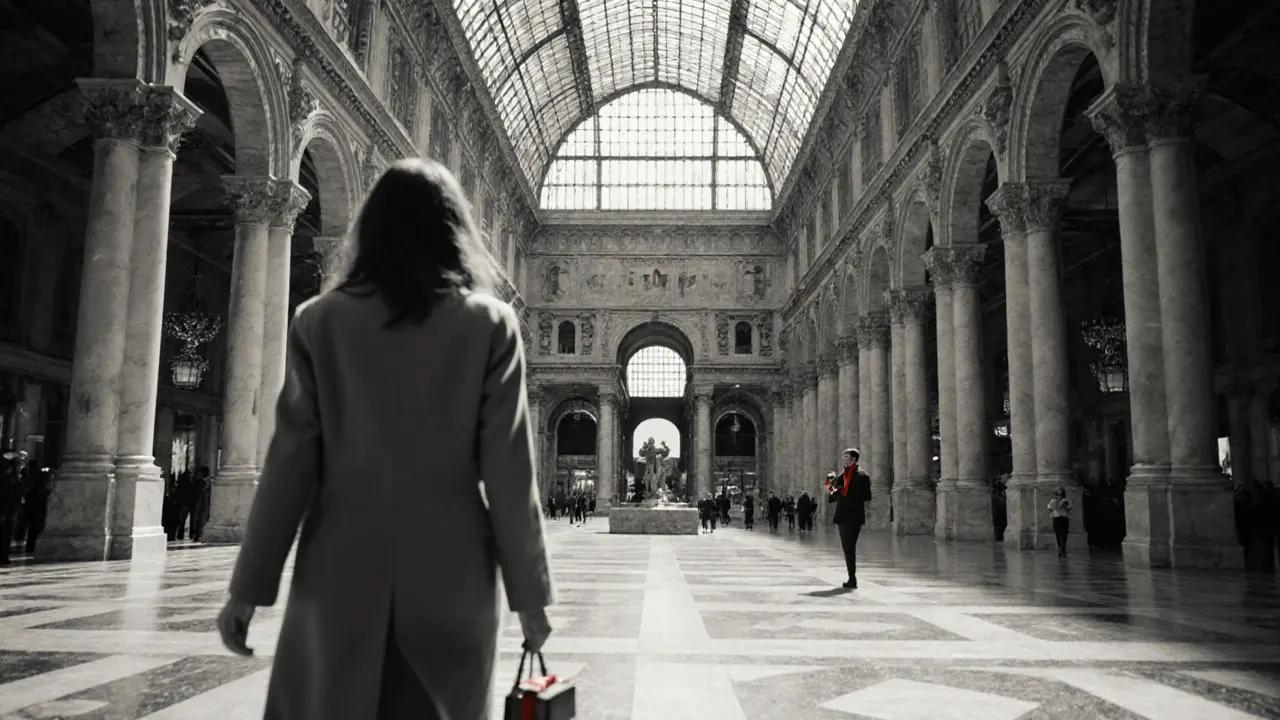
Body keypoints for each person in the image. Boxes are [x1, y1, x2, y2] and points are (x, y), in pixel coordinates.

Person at [216, 159, 554, 720]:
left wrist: (248, 588)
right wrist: (532, 600)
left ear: (368, 232)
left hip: (339, 572)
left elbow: (288, 470)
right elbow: (510, 477)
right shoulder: (491, 325)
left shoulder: (318, 322)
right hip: (453, 579)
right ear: (456, 232)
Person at [828, 448, 872, 590]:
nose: (844, 459)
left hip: (853, 515)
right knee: (847, 549)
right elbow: (832, 495)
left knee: (849, 548)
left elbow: (867, 496)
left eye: (846, 456)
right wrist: (830, 482)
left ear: (854, 459)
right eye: (843, 456)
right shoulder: (843, 475)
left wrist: (846, 492)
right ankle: (851, 577)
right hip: (842, 515)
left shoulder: (862, 475)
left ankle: (852, 579)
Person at [1048, 487, 1072, 558]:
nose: (1059, 496)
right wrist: (1054, 507)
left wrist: (1065, 504)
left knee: (1064, 534)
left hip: (1064, 518)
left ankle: (1062, 549)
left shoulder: (1066, 501)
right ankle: (1060, 549)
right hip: (1057, 518)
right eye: (1058, 494)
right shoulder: (1053, 501)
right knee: (1058, 534)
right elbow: (1049, 508)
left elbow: (1069, 507)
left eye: (1061, 494)